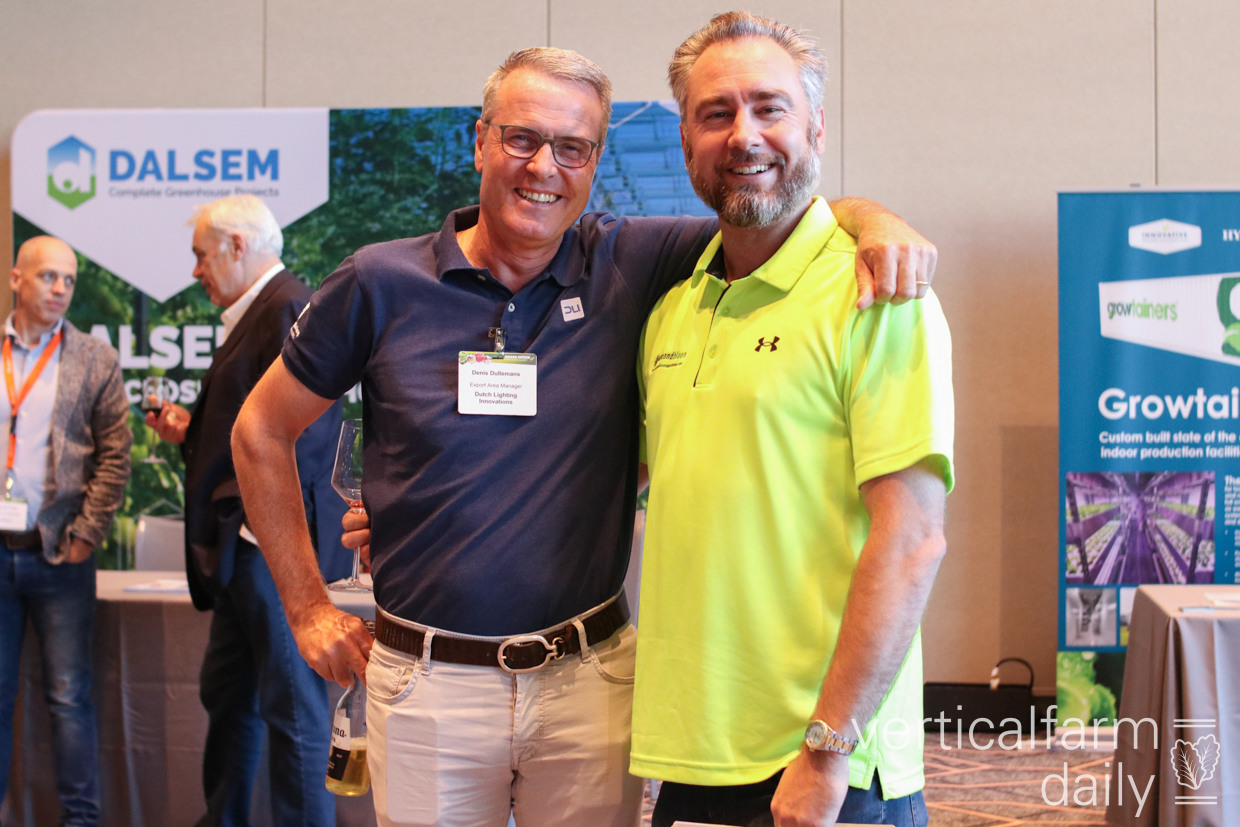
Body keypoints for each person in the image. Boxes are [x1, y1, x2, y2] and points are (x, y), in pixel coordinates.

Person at [229, 46, 935, 827]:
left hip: (587, 683)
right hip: (428, 682)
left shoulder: (633, 263)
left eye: (573, 147)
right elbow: (260, 430)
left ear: (594, 163)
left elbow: (770, 201)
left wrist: (874, 221)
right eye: (522, 138)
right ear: (480, 141)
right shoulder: (379, 282)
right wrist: (307, 607)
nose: (544, 167)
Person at [632, 12, 954, 827]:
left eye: (769, 108)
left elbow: (913, 539)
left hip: (829, 765)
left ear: (815, 126)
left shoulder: (880, 296)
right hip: (694, 753)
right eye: (716, 113)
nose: (744, 135)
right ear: (685, 140)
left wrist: (827, 748)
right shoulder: (672, 309)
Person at [143, 195, 349, 827]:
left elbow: (304, 439)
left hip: (271, 553)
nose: (196, 271)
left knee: (294, 713)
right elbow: (249, 427)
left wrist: (257, 534)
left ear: (237, 245)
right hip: (249, 553)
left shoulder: (286, 307)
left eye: (201, 256)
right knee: (227, 698)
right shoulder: (259, 312)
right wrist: (192, 431)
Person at [0, 236, 132, 826]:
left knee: (69, 699)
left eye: (69, 280)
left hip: (59, 555)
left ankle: (81, 821)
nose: (60, 289)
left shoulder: (93, 358)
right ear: (16, 279)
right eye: (48, 276)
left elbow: (115, 457)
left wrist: (86, 534)